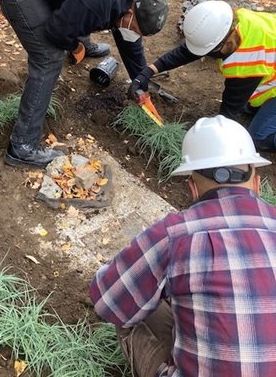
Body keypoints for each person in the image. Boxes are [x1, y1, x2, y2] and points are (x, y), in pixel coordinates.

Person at [90, 115, 276, 376]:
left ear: (193, 189)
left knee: (135, 300)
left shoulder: (177, 232)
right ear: (256, 183)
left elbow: (108, 300)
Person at [0, 0, 168, 167]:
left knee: (83, 7)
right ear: (132, 9)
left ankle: (85, 40)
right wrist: (73, 45)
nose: (135, 34)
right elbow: (56, 31)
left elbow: (128, 39)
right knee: (49, 57)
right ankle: (22, 147)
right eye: (136, 28)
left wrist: (140, 80)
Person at [129, 0, 276, 151]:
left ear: (226, 44)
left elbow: (229, 111)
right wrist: (148, 72)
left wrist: (210, 144)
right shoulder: (233, 25)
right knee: (251, 108)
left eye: (210, 52)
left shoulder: (247, 61)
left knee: (258, 138)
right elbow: (187, 52)